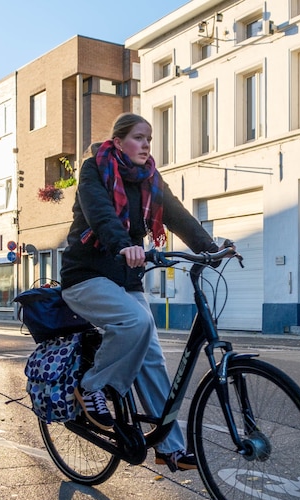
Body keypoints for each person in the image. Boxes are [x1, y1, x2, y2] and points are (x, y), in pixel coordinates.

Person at [60, 113, 232, 473]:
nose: (147, 145)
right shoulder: (95, 170)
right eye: (139, 138)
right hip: (86, 276)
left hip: (126, 281)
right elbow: (100, 213)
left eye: (150, 139)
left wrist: (209, 247)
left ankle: (169, 447)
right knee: (136, 322)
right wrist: (124, 245)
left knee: (151, 356)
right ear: (119, 142)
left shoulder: (150, 179)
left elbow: (177, 215)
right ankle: (92, 387)